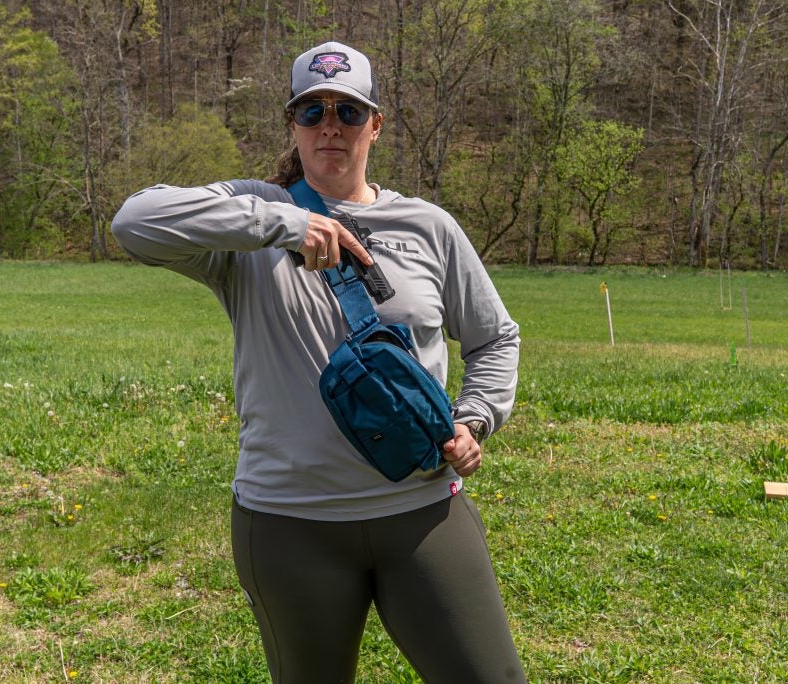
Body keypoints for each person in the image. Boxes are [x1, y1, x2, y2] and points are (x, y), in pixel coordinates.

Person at [111, 41, 525, 684]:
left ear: (375, 125)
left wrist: (475, 418)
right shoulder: (247, 220)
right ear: (293, 124)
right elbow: (135, 222)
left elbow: (495, 338)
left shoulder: (428, 226)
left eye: (348, 111)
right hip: (289, 522)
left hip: (420, 509)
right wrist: (281, 224)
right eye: (312, 111)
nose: (330, 125)